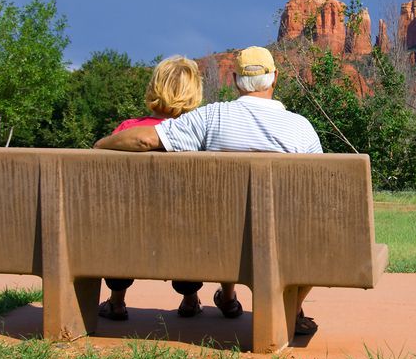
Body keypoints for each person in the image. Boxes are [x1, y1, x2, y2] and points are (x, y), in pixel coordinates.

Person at [94, 46, 324, 335]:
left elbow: (145, 140)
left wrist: (100, 144)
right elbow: (319, 194)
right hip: (279, 239)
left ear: (235, 79)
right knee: (309, 231)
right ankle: (291, 308)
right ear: (275, 78)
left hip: (217, 240)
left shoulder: (210, 118)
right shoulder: (300, 127)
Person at [97, 55, 206, 322]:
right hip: (185, 235)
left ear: (154, 88)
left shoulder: (127, 130)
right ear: (194, 94)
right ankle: (190, 298)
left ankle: (117, 301)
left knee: (120, 224)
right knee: (190, 224)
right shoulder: (199, 135)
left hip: (130, 232)